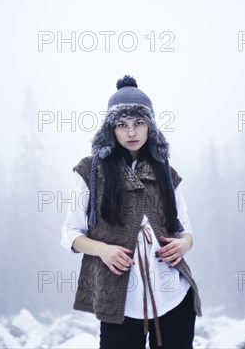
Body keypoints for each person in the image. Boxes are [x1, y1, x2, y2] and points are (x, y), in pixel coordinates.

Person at [60, 75, 202, 349]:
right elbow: (70, 233)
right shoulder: (91, 171)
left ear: (150, 126)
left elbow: (185, 229)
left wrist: (184, 244)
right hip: (119, 302)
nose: (132, 132)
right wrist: (104, 250)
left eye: (139, 123)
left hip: (174, 297)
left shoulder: (166, 172)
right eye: (122, 125)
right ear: (111, 129)